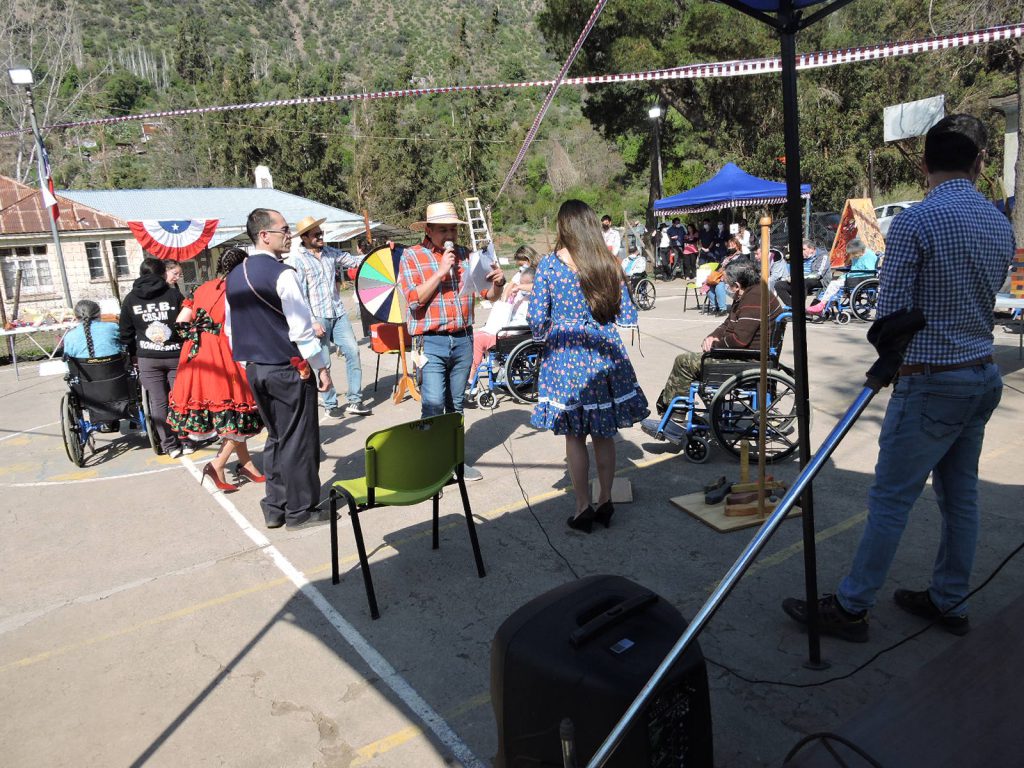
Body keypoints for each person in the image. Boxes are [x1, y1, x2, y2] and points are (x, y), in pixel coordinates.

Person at [783, 114, 1013, 643]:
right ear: (980, 162)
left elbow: (889, 316)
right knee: (961, 499)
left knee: (890, 501)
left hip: (931, 381)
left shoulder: (916, 221)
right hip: (981, 375)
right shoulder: (1000, 223)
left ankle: (852, 606)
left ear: (925, 162)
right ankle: (950, 599)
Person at [529, 200, 649, 533]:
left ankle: (582, 507)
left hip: (567, 353)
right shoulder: (608, 262)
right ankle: (605, 500)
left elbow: (537, 318)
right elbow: (627, 315)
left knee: (575, 434)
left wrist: (552, 330)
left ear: (563, 227)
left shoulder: (550, 265)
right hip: (604, 351)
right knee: (603, 433)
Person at [224, 208, 333, 530]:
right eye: (284, 229)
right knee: (299, 439)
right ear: (264, 235)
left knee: (276, 437)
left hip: (256, 368)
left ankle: (276, 506)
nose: (289, 235)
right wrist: (321, 367)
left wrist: (248, 362)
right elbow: (301, 329)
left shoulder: (234, 275)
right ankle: (301, 511)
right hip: (286, 367)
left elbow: (230, 329)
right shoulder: (282, 273)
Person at [398, 201, 505, 480]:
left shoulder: (467, 256)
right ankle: (432, 466)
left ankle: (456, 463)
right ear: (429, 230)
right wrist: (440, 272)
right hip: (430, 341)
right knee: (433, 405)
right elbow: (413, 300)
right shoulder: (411, 256)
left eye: (453, 230)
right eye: (443, 230)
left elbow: (488, 296)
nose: (450, 235)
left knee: (456, 405)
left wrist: (498, 283)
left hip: (463, 339)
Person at [168, 247, 265, 493]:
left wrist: (199, 333)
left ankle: (247, 465)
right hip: (223, 353)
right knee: (239, 410)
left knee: (231, 411)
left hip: (196, 355)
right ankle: (217, 464)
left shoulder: (201, 288)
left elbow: (180, 323)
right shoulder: (238, 289)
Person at [652, 259, 783, 414]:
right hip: (745, 354)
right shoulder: (748, 294)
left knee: (684, 362)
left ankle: (675, 412)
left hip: (749, 360)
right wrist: (712, 337)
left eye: (726, 283)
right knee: (692, 361)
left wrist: (715, 346)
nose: (725, 286)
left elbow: (739, 340)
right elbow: (727, 324)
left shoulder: (754, 299)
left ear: (737, 285)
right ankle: (682, 408)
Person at [289, 215, 370, 417]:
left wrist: (382, 252)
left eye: (321, 233)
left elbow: (354, 261)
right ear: (305, 237)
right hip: (318, 316)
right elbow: (301, 294)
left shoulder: (330, 252)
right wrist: (312, 321)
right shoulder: (299, 259)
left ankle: (355, 400)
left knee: (353, 351)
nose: (320, 237)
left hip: (338, 312)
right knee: (324, 362)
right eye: (315, 234)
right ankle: (330, 404)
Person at [119, 257, 189, 457]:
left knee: (158, 402)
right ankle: (186, 439)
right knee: (180, 398)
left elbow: (125, 332)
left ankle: (169, 445)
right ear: (162, 273)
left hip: (148, 357)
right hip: (175, 354)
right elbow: (185, 322)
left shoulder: (130, 299)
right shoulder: (173, 294)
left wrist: (133, 354)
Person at [470, 268, 534, 373]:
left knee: (478, 340)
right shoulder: (520, 296)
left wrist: (519, 287)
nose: (521, 286)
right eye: (520, 283)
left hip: (512, 334)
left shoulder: (535, 298)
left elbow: (520, 323)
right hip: (505, 330)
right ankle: (471, 369)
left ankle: (472, 374)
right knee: (474, 335)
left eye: (524, 284)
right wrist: (511, 297)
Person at [806, 239, 879, 315]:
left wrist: (848, 275)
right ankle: (827, 303)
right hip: (855, 277)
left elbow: (869, 271)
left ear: (860, 250)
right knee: (835, 284)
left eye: (853, 253)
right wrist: (845, 275)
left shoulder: (869, 256)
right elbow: (855, 268)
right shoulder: (858, 254)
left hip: (861, 278)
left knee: (834, 284)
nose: (852, 255)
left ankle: (821, 305)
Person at [773, 239, 829, 307]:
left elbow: (819, 274)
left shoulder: (822, 256)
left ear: (812, 249)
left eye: (804, 249)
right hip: (800, 281)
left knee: (803, 282)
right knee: (778, 285)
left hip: (818, 280)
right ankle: (792, 306)